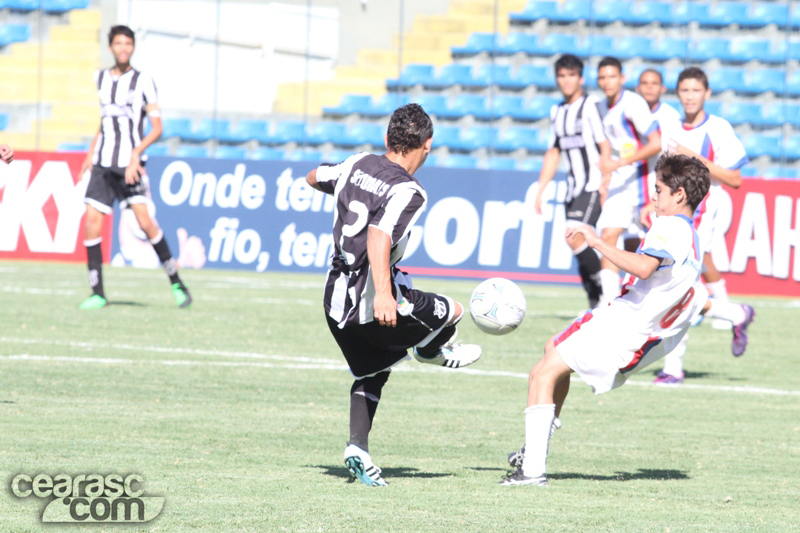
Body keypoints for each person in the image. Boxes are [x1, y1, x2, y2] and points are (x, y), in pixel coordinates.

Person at [500, 153, 712, 486]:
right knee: (552, 350)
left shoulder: (669, 227)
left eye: (658, 190)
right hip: (639, 335)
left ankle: (532, 471)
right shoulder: (692, 236)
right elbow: (691, 294)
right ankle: (535, 447)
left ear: (679, 194)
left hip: (624, 327)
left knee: (541, 373)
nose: (654, 196)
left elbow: (644, 267)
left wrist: (597, 241)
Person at [306, 103, 482, 487]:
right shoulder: (409, 190)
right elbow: (378, 236)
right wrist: (384, 294)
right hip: (370, 301)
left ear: (387, 139)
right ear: (427, 145)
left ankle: (358, 449)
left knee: (374, 368)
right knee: (453, 311)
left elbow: (314, 176)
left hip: (334, 301)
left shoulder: (357, 163)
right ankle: (429, 350)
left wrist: (345, 193)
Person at [78, 25, 191, 309]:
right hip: (103, 165)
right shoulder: (100, 78)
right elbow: (104, 122)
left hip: (129, 166)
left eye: (128, 43)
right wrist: (90, 154)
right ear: (111, 47)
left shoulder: (143, 81)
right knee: (92, 224)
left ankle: (176, 282)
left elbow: (157, 127)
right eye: (118, 43)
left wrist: (135, 155)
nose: (123, 48)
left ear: (133, 47)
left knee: (145, 224)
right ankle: (97, 293)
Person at [652, 67, 752, 384]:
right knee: (674, 285)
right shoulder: (669, 127)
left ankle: (672, 368)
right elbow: (664, 175)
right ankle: (736, 314)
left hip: (706, 213)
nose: (690, 96)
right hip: (675, 214)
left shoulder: (719, 128)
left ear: (706, 93)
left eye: (696, 90)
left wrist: (693, 156)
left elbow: (735, 179)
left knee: (678, 284)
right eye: (685, 90)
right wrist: (652, 202)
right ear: (678, 94)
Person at [534, 54, 612, 309]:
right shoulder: (557, 110)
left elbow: (604, 145)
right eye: (562, 75)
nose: (566, 81)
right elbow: (553, 151)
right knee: (576, 243)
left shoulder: (591, 105)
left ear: (581, 78)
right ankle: (595, 303)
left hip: (592, 184)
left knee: (574, 236)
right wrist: (541, 189)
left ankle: (607, 293)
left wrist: (605, 180)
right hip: (572, 188)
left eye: (571, 75)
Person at [595, 57, 662, 306]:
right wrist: (606, 175)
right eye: (602, 77)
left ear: (622, 79)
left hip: (644, 181)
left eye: (612, 76)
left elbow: (656, 143)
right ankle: (608, 303)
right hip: (620, 184)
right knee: (608, 235)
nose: (606, 82)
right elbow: (608, 147)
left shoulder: (633, 104)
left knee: (646, 244)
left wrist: (619, 164)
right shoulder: (601, 106)